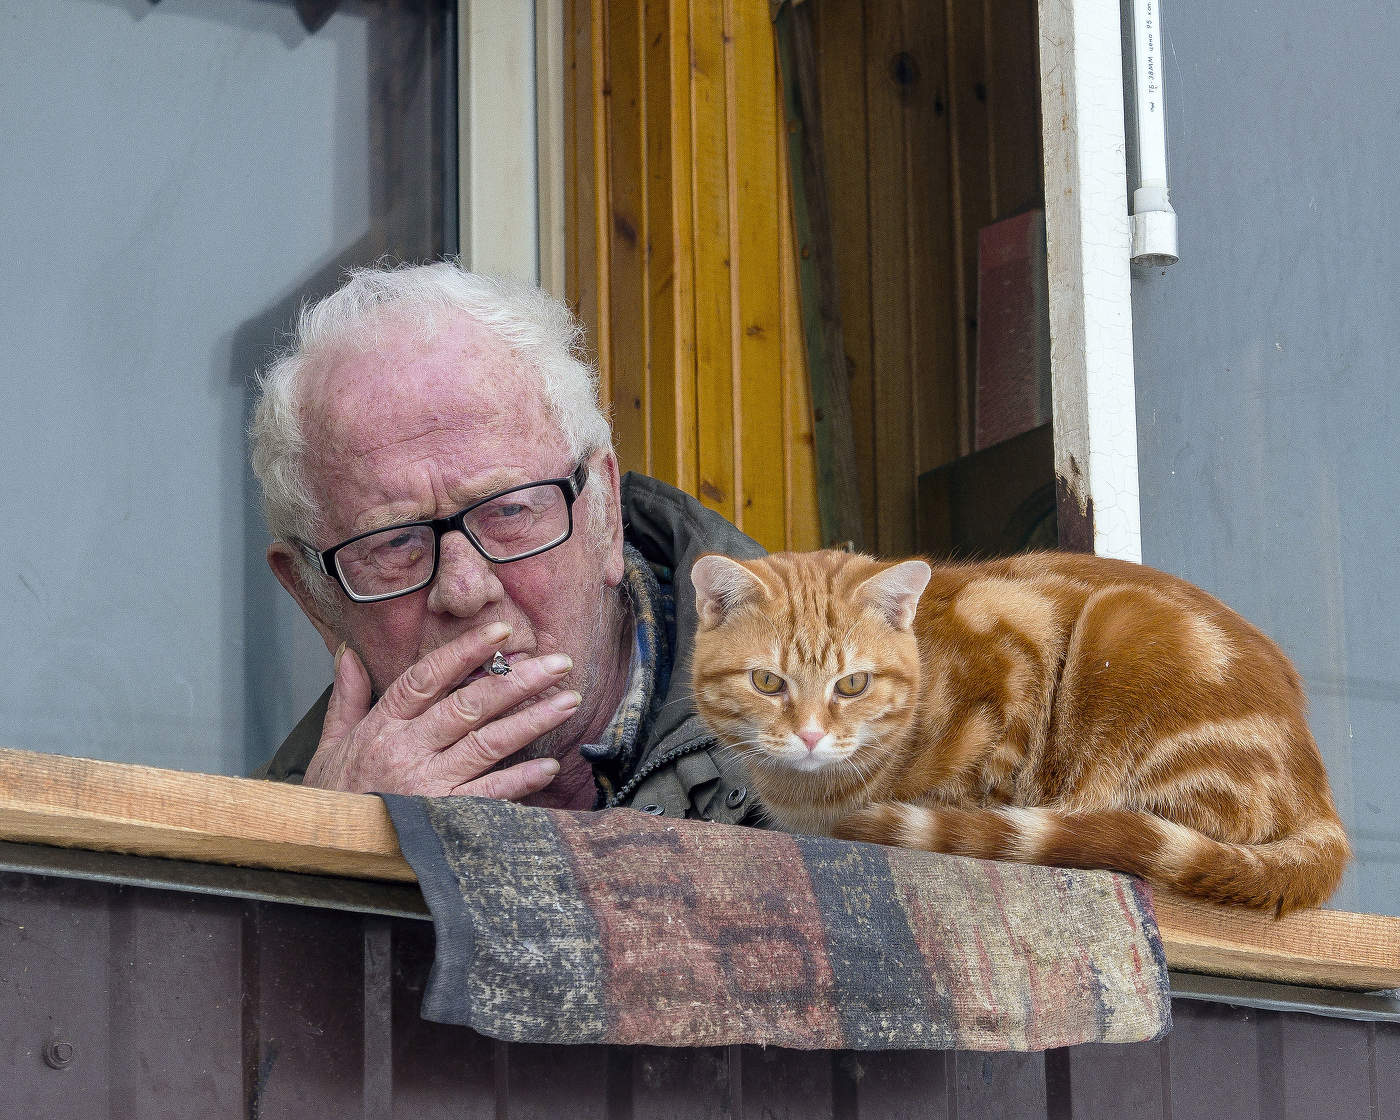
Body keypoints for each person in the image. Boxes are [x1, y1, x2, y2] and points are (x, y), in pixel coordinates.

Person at [249, 260, 764, 825]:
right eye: (394, 544)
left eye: (510, 511)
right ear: (314, 598)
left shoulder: (826, 760)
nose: (465, 591)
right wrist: (342, 847)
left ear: (605, 517)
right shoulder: (263, 847)